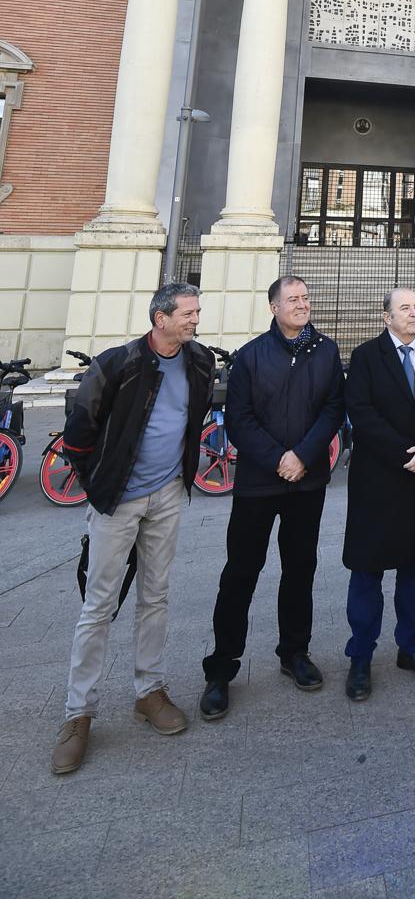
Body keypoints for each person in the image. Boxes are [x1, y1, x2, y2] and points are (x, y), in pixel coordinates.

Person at [50, 284, 215, 775]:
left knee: (156, 594)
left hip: (167, 497)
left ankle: (149, 690)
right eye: (187, 314)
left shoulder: (199, 362)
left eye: (197, 313)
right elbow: (79, 434)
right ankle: (78, 715)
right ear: (159, 318)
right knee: (99, 604)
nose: (194, 321)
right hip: (116, 500)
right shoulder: (117, 363)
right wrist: (99, 487)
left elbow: (193, 418)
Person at [198, 276, 345, 719]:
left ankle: (294, 654)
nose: (302, 304)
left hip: (307, 481)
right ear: (273, 308)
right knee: (241, 573)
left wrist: (302, 456)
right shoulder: (250, 356)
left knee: (300, 569)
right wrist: (279, 457)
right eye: (293, 299)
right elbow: (238, 419)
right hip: (259, 483)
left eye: (306, 297)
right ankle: (221, 669)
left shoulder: (326, 350)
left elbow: (334, 408)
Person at [342, 287, 415, 699]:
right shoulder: (365, 357)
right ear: (386, 316)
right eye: (405, 308)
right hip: (379, 480)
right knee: (368, 571)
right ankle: (360, 656)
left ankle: (411, 647)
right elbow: (361, 413)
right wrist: (403, 453)